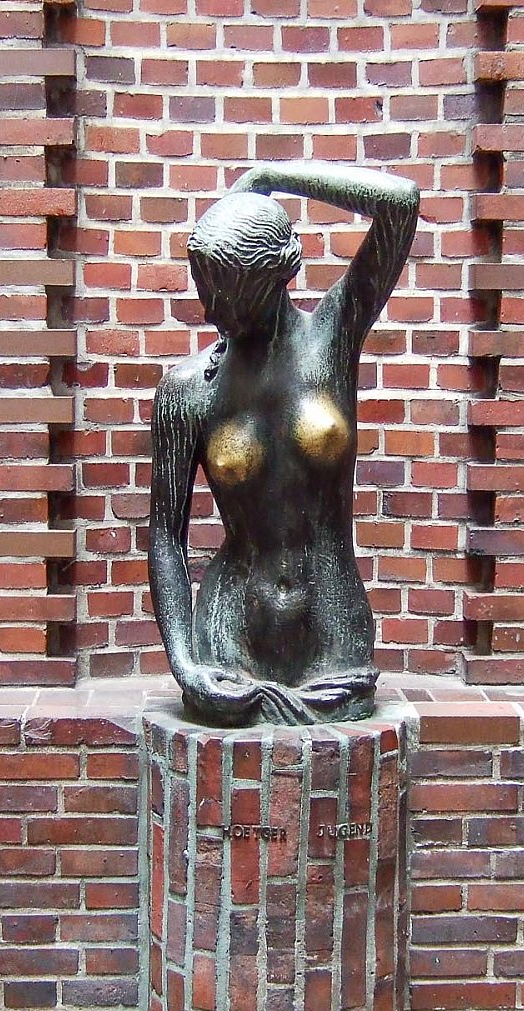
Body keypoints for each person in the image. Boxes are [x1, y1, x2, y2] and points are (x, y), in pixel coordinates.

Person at [149, 161, 420, 726]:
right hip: (228, 636)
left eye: (224, 291)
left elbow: (400, 204)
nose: (209, 308)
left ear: (272, 276)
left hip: (334, 633)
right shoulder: (188, 391)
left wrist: (270, 175)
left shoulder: (333, 338)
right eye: (204, 288)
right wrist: (184, 664)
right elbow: (165, 536)